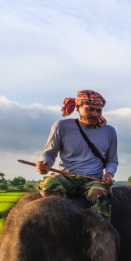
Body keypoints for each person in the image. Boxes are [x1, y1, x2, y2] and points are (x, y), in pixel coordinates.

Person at [36, 89, 118, 221]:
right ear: (78, 108)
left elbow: (112, 160)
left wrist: (109, 173)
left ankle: (101, 231)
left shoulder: (109, 131)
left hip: (93, 180)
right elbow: (49, 154)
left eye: (98, 111)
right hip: (67, 177)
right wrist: (44, 163)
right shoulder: (61, 126)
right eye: (90, 109)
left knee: (100, 196)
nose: (95, 114)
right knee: (47, 186)